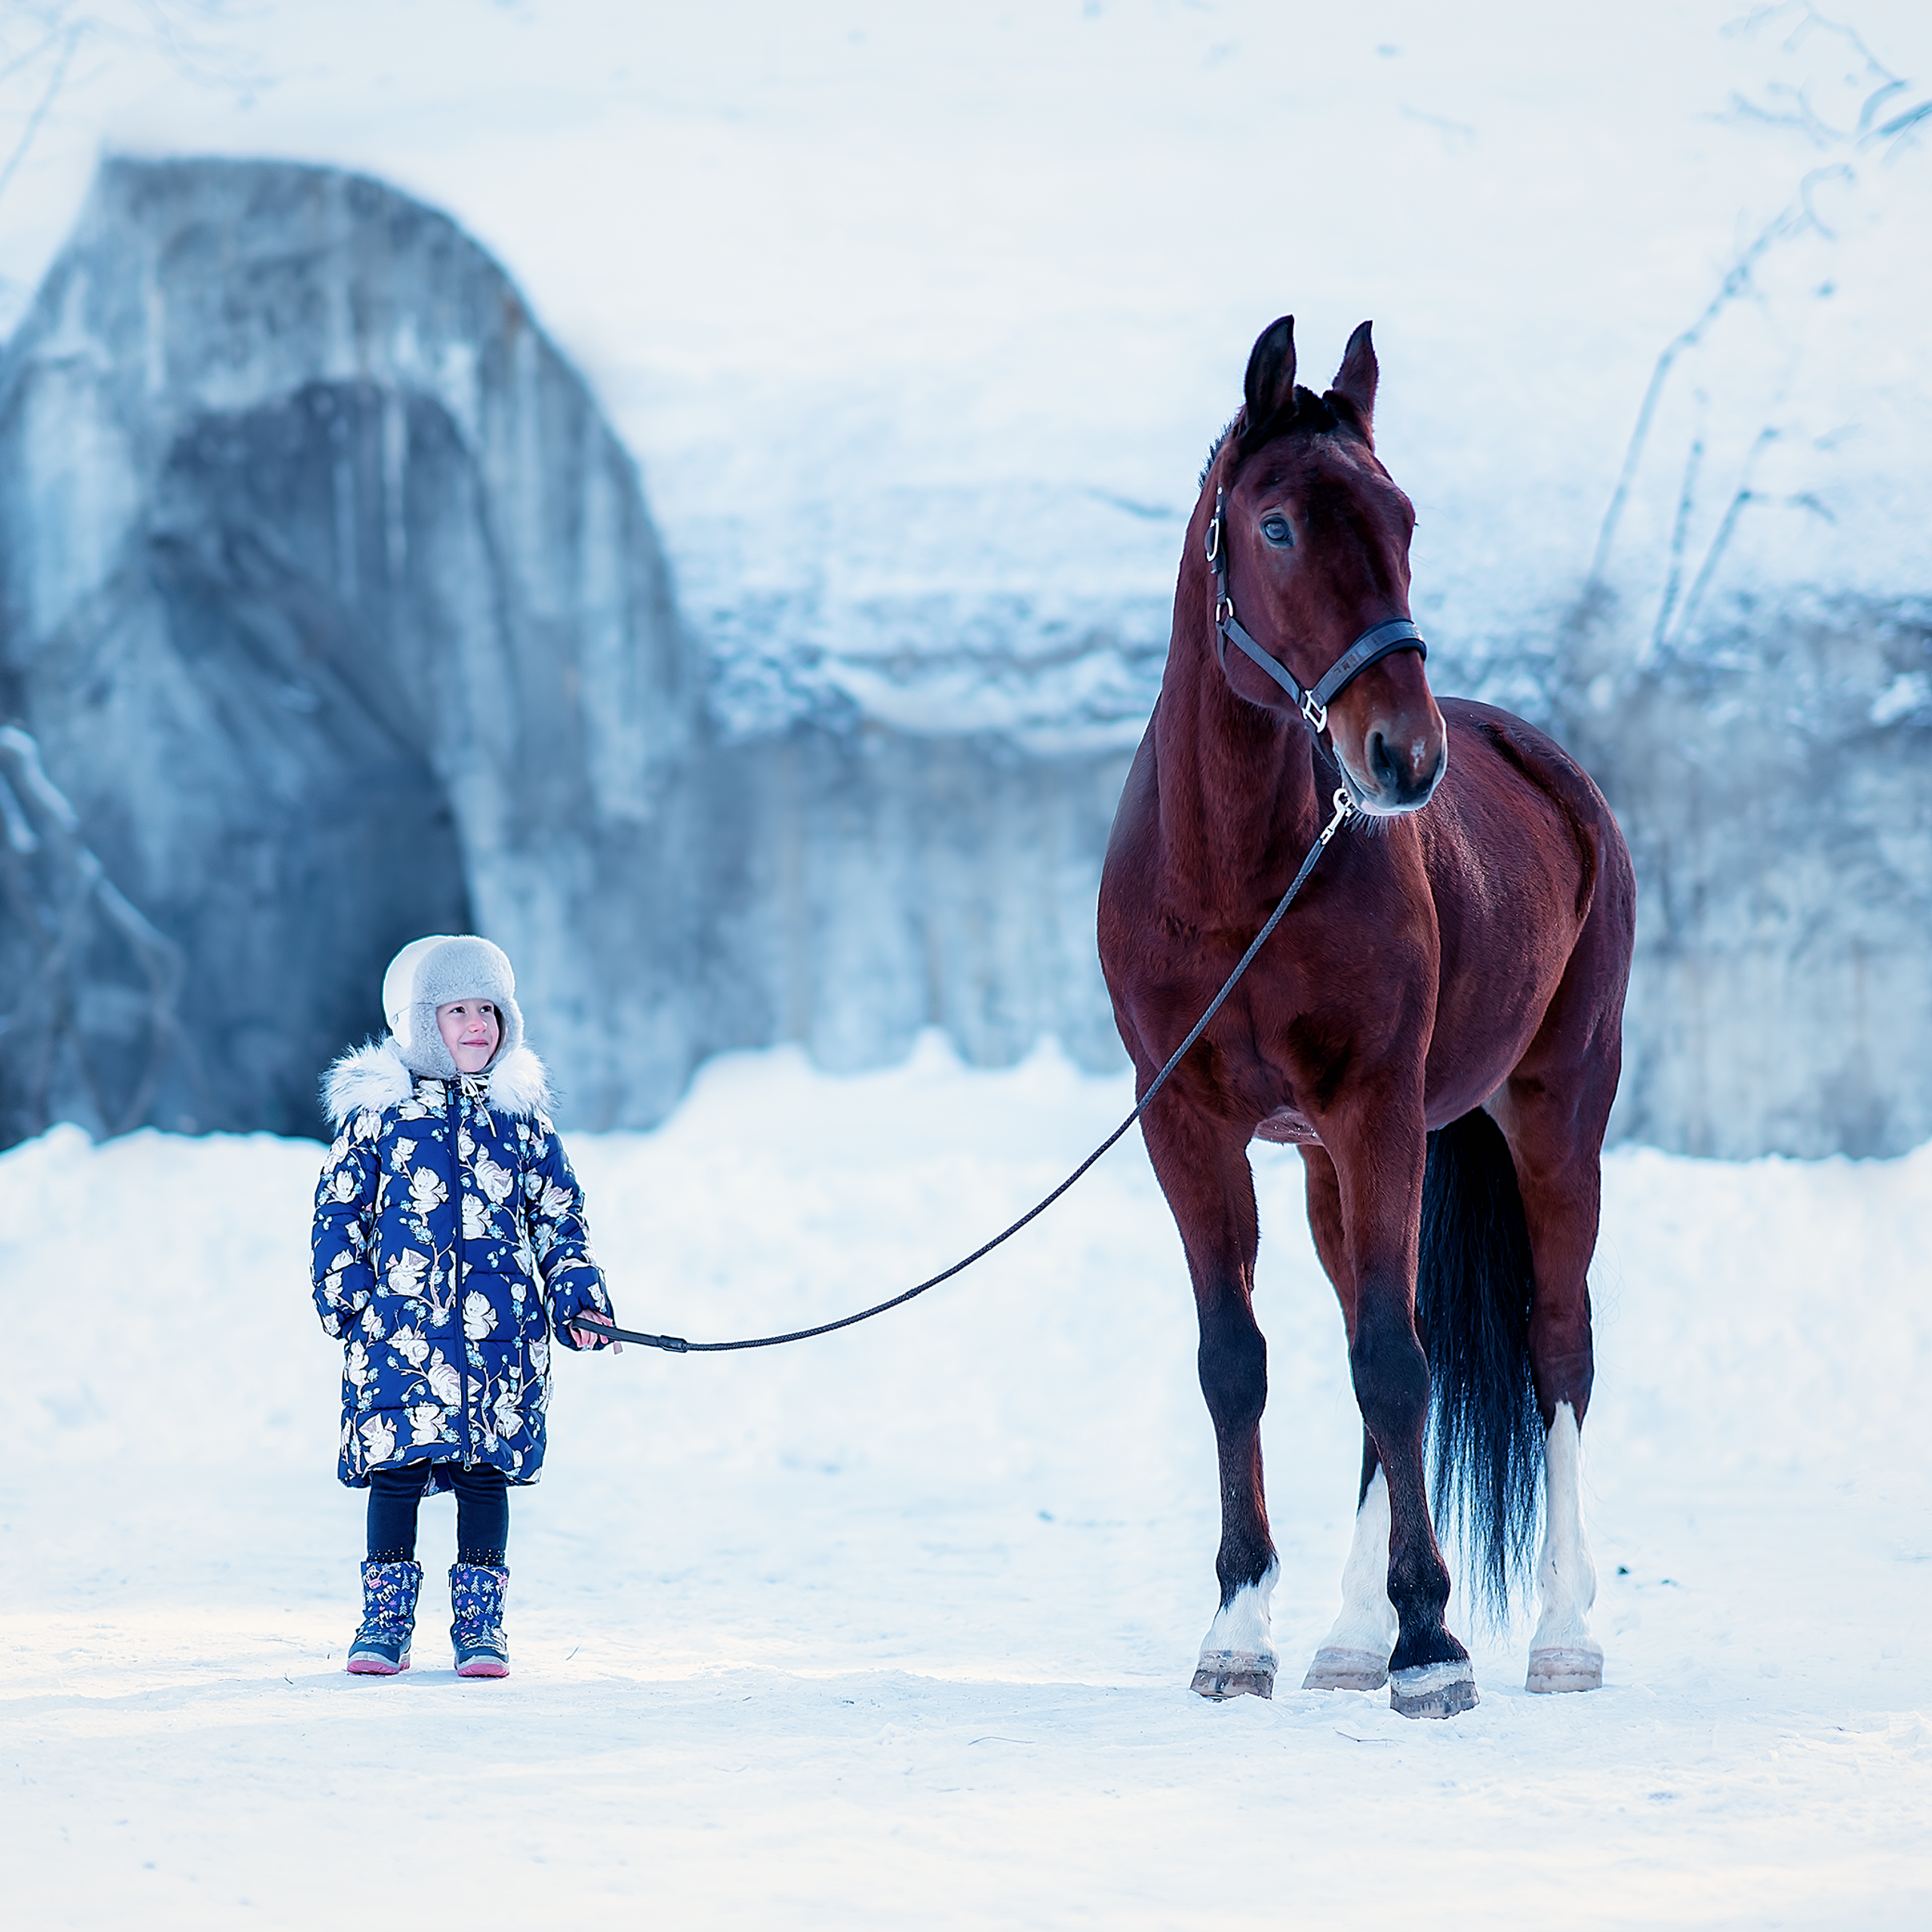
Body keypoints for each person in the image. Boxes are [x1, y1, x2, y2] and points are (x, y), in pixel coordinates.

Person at [311, 934, 620, 1678]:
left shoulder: (520, 1120)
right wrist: (350, 1300)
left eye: (489, 1009)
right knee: (396, 1473)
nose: (478, 1024)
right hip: (399, 1337)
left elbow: (558, 1215)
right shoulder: (380, 1117)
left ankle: (481, 1622)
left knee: (486, 1477)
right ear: (421, 1022)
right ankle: (384, 1619)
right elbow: (339, 1210)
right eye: (457, 1010)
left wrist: (578, 1296)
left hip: (498, 1339)